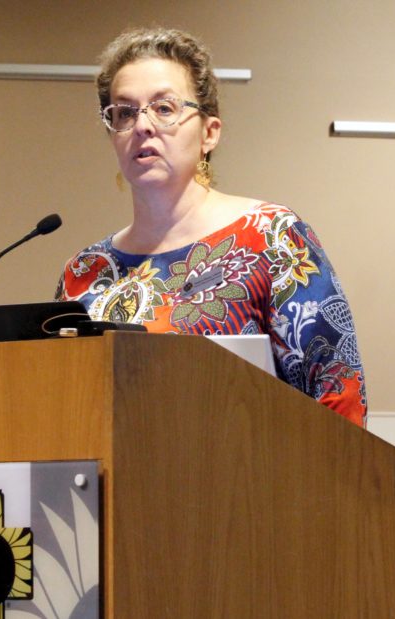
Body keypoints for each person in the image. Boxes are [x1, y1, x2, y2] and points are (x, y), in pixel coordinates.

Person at [56, 27, 367, 427]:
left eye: (164, 108)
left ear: (209, 133)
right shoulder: (85, 272)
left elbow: (338, 397)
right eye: (125, 112)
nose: (142, 125)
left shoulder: (271, 237)